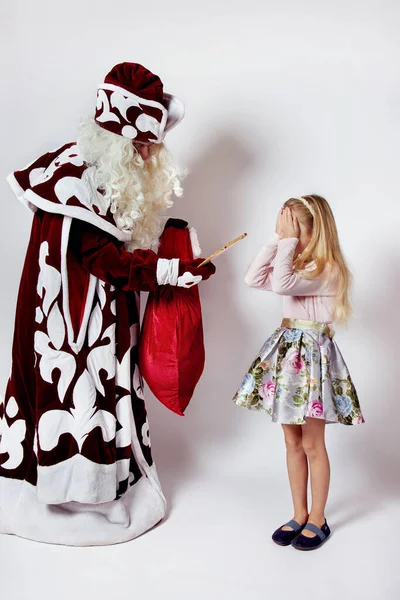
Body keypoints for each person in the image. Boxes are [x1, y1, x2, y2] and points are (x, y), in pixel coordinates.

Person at [0, 62, 215, 546]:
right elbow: (102, 259)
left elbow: (117, 244)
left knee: (102, 400)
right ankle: (74, 499)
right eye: (142, 146)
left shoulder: (97, 173)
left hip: (101, 318)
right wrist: (167, 272)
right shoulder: (75, 179)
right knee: (79, 403)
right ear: (122, 141)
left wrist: (172, 251)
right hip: (73, 329)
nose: (148, 154)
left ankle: (97, 493)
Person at [233, 195, 364, 551]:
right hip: (288, 356)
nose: (289, 236)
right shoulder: (294, 263)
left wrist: (287, 244)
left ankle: (319, 518)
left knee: (312, 444)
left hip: (313, 360)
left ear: (313, 231)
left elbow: (281, 285)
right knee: (292, 442)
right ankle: (299, 512)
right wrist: (277, 240)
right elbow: (252, 278)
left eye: (294, 229)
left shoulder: (326, 268)